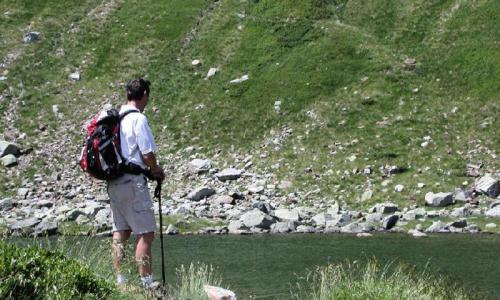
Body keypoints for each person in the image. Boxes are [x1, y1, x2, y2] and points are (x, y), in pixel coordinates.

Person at [106, 78, 165, 289]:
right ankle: (147, 283)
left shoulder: (115, 119)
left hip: (114, 181)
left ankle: (119, 282)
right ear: (145, 94)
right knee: (146, 232)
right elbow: (147, 153)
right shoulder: (138, 119)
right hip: (133, 182)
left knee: (121, 231)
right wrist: (156, 170)